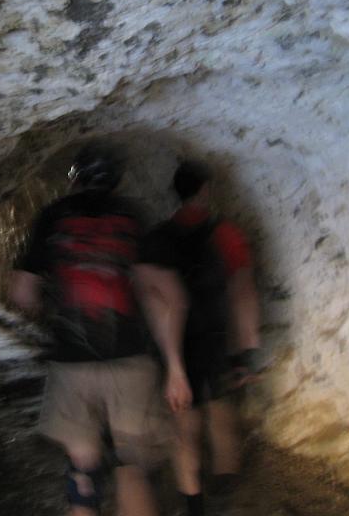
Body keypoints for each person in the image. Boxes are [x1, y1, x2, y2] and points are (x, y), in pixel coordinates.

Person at [10, 144, 191, 516]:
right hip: (130, 361)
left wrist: (50, 305)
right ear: (117, 179)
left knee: (83, 468)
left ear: (74, 178)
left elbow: (21, 293)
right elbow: (160, 298)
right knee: (132, 469)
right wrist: (175, 368)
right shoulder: (133, 218)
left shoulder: (52, 217)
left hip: (71, 363)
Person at [145, 160, 263, 516]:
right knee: (221, 414)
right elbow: (243, 292)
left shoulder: (158, 238)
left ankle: (192, 500)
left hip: (175, 343)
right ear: (205, 190)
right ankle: (226, 489)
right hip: (215, 339)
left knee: (184, 423)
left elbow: (150, 294)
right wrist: (246, 353)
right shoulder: (225, 234)